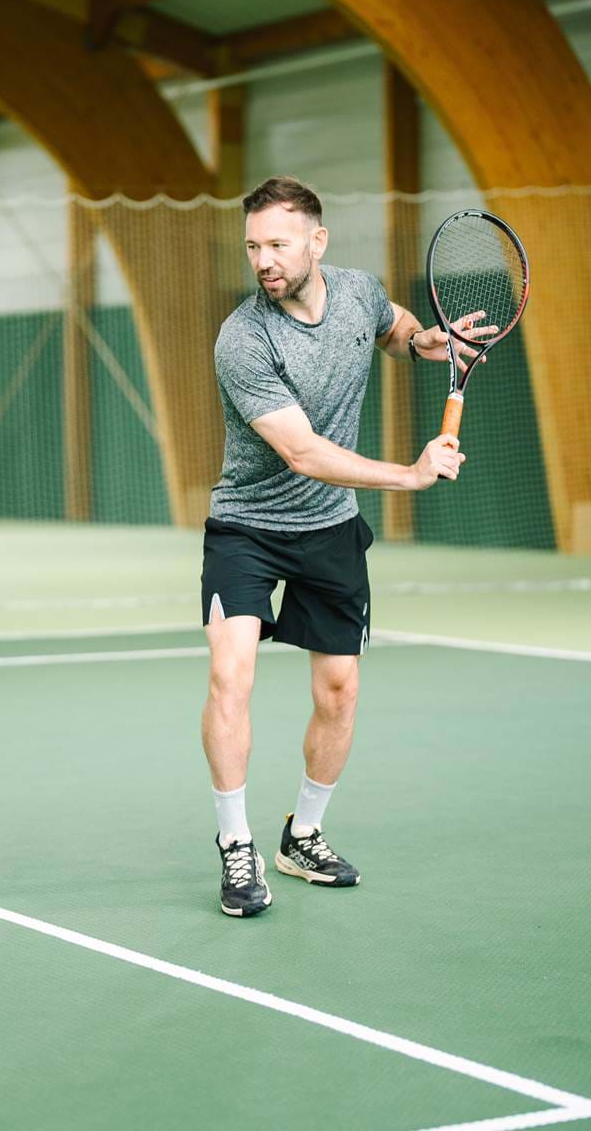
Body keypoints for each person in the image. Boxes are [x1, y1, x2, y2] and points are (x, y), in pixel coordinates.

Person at [201, 176, 483, 917]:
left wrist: (426, 341)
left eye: (278, 244)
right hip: (248, 526)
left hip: (328, 529)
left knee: (340, 690)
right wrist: (411, 475)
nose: (263, 260)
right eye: (253, 246)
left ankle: (305, 834)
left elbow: (391, 328)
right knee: (232, 675)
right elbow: (302, 453)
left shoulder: (356, 291)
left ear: (316, 242)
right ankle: (237, 846)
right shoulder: (243, 338)